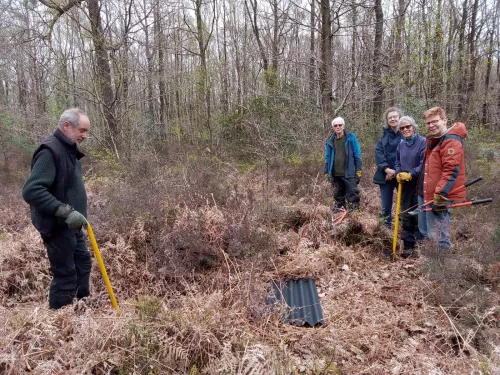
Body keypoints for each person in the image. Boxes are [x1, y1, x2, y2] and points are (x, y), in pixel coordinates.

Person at [22, 108, 92, 309]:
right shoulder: (50, 150)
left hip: (72, 226)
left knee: (83, 264)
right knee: (66, 274)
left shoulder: (69, 150)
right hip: (57, 226)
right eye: (82, 130)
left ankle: (81, 308)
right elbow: (32, 190)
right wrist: (65, 212)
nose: (84, 136)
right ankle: (62, 318)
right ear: (67, 125)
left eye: (86, 131)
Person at [420, 106, 467, 255]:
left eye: (434, 121)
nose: (431, 125)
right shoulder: (437, 140)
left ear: (445, 120)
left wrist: (440, 194)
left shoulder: (451, 141)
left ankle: (443, 267)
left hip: (441, 195)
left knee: (440, 234)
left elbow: (451, 170)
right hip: (430, 193)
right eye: (428, 123)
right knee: (433, 232)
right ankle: (435, 264)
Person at [394, 116, 426, 258]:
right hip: (405, 185)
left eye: (408, 127)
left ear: (414, 127)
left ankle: (420, 246)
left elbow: (423, 163)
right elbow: (397, 161)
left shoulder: (422, 142)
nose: (405, 130)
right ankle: (408, 246)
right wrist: (399, 173)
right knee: (406, 213)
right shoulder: (401, 144)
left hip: (419, 184)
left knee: (419, 214)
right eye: (402, 128)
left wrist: (411, 174)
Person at [373, 107, 404, 226]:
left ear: (399, 117)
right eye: (390, 117)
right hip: (386, 176)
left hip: (402, 175)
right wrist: (386, 169)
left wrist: (396, 172)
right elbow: (379, 154)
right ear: (387, 120)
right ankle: (386, 229)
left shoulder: (406, 135)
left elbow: (408, 155)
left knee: (405, 204)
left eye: (395, 116)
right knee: (386, 206)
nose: (393, 119)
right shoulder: (383, 138)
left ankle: (405, 229)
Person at [324, 117, 362, 210]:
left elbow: (357, 154)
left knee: (353, 193)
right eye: (335, 125)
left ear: (343, 126)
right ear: (333, 127)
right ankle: (340, 211)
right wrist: (326, 171)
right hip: (336, 173)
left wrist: (358, 170)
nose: (338, 127)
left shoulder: (350, 137)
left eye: (340, 125)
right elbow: (327, 157)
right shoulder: (330, 140)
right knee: (338, 194)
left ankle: (354, 213)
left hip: (349, 172)